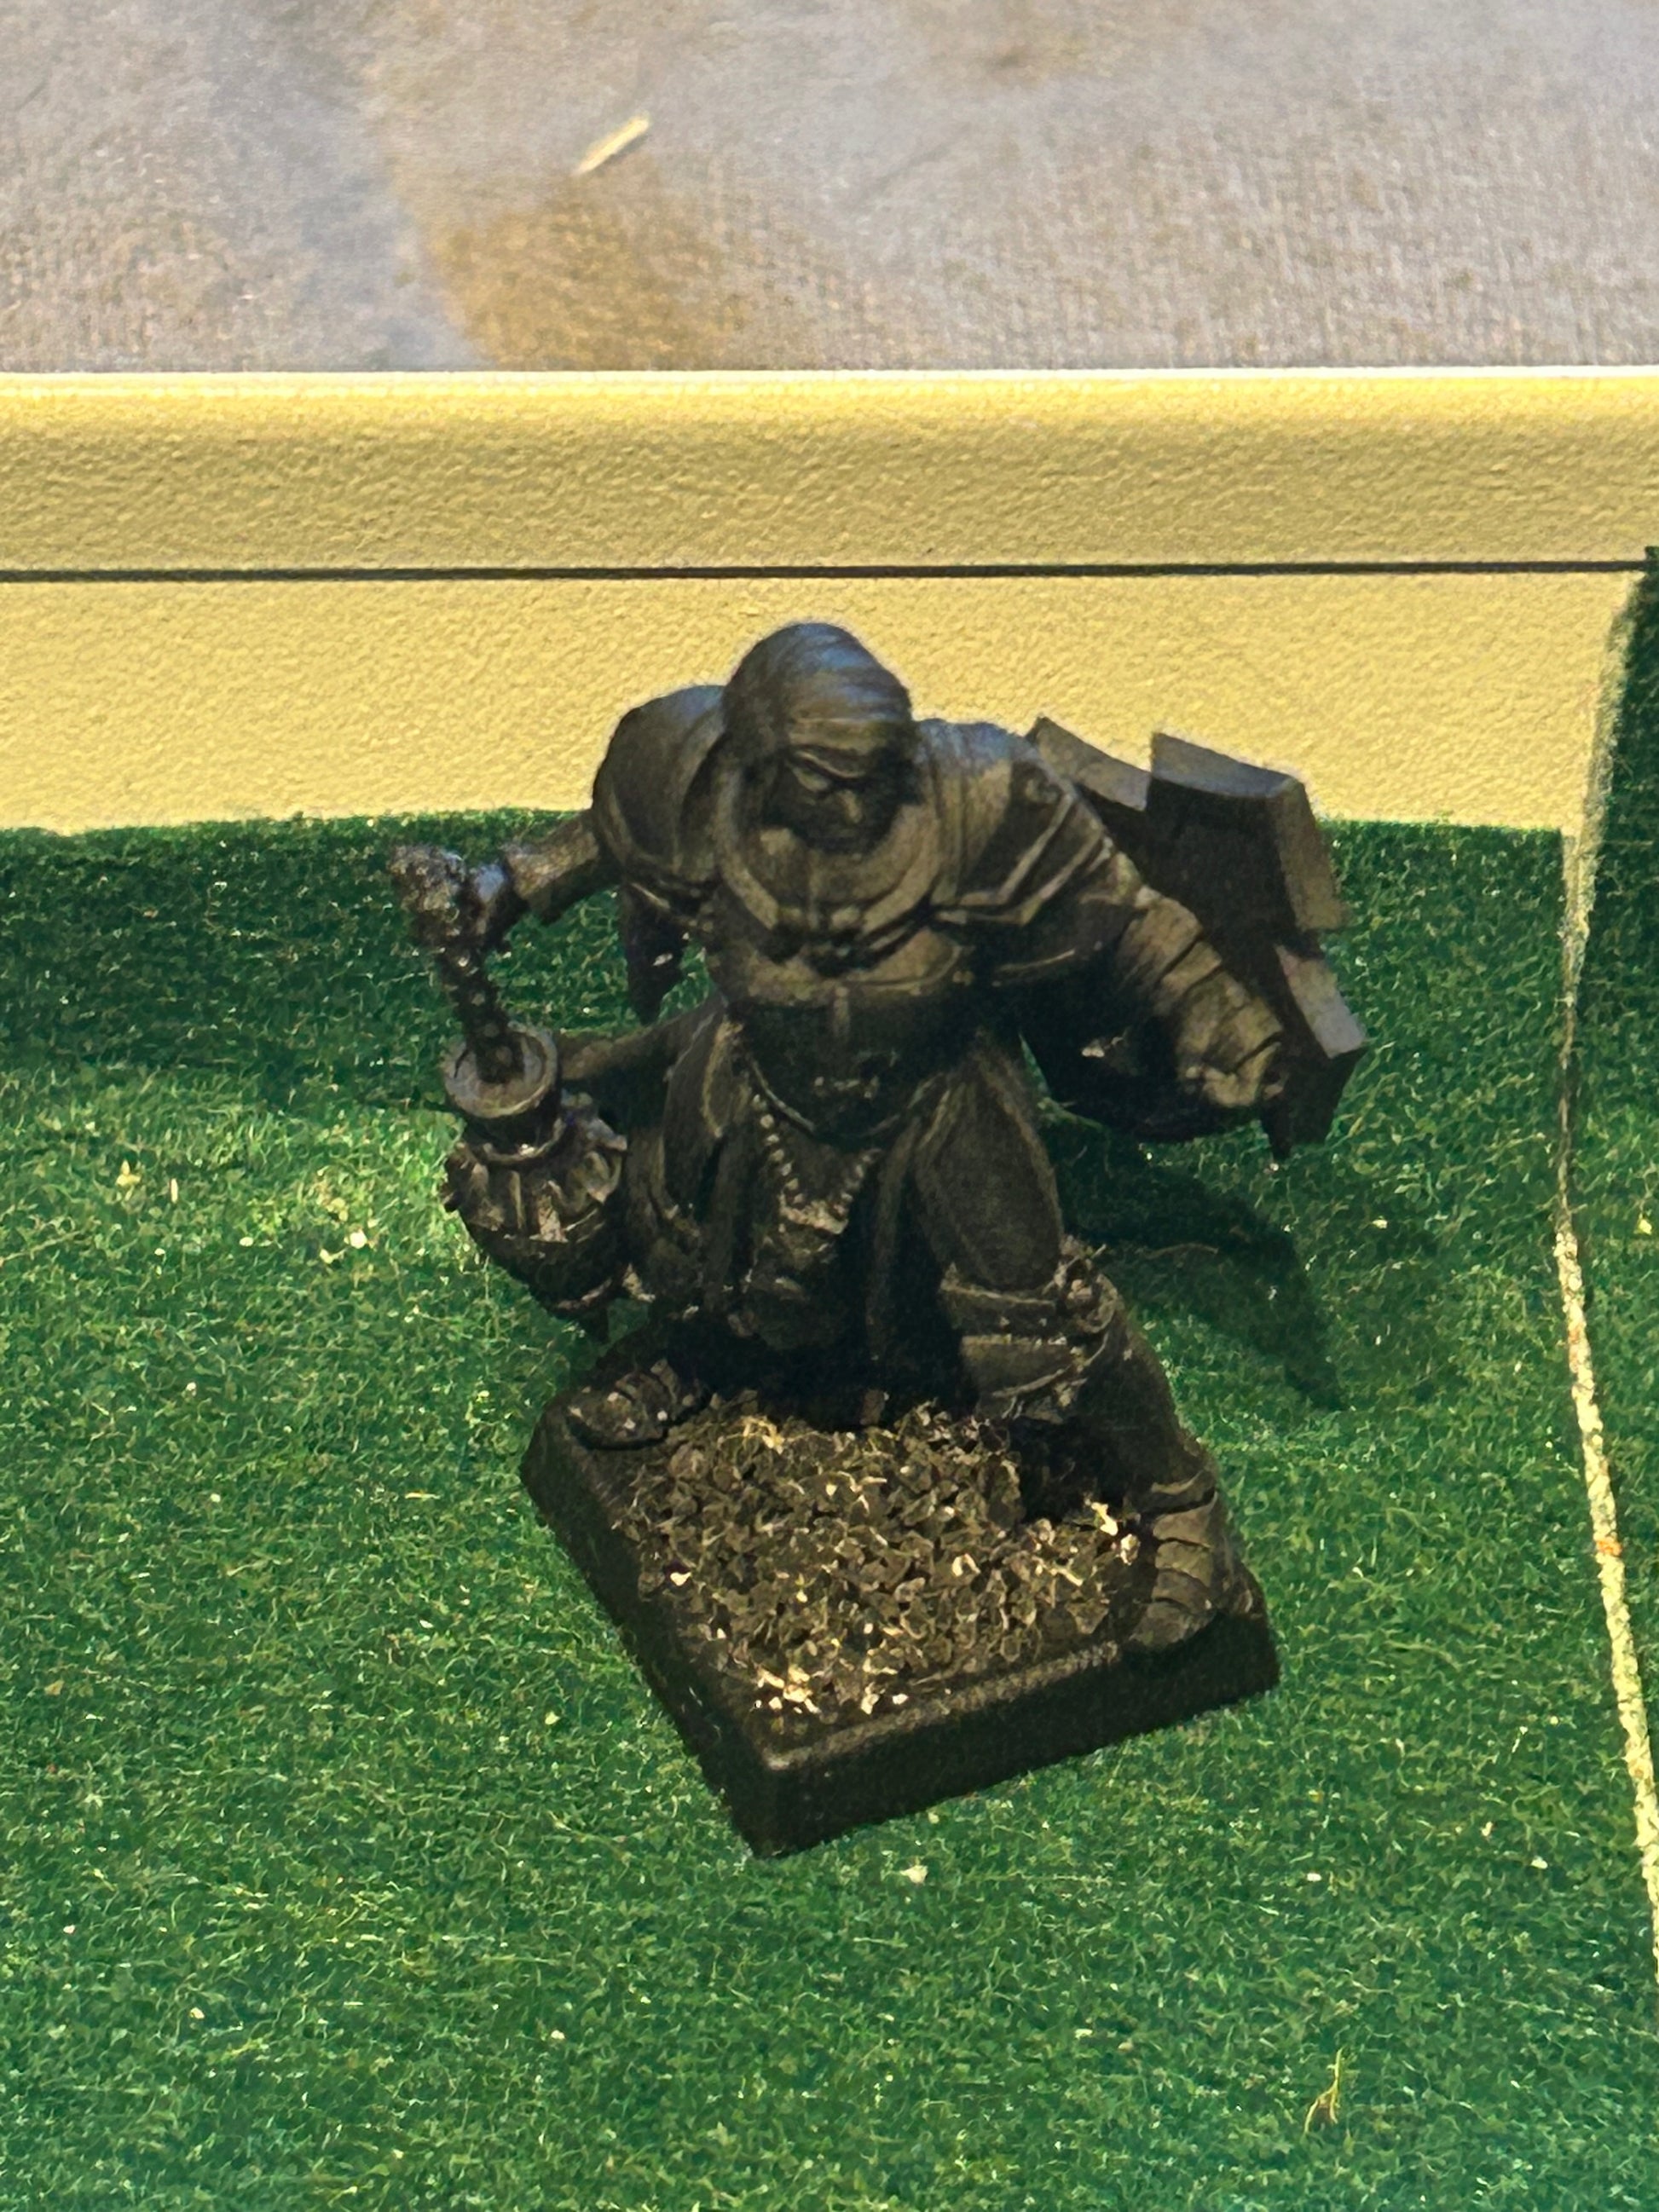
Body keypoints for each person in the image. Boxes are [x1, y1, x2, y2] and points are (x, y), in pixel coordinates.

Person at [438, 622, 1286, 1649]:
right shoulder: (691, 781)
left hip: (937, 1094)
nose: (859, 802)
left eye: (876, 772)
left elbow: (1126, 917)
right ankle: (699, 1358)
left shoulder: (977, 798)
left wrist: (1210, 1009)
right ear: (760, 765)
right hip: (756, 1076)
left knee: (1039, 1317)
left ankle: (1179, 1498)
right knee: (694, 1244)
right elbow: (607, 839)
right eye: (828, 781)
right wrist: (506, 885)